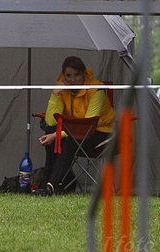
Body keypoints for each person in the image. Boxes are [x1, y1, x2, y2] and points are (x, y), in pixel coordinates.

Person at [37, 56, 115, 195]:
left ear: (84, 74)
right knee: (49, 129)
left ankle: (51, 185)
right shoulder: (63, 89)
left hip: (99, 132)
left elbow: (88, 125)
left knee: (68, 141)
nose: (72, 80)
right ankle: (55, 183)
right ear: (64, 76)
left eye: (77, 75)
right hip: (74, 131)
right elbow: (51, 121)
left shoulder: (97, 90)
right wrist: (55, 95)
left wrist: (56, 136)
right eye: (68, 76)